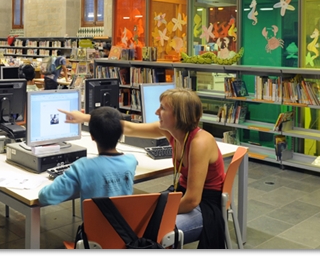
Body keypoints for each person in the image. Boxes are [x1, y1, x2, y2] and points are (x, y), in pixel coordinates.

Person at [59, 88, 227, 248]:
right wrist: (85, 118)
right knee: (134, 221)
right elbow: (129, 127)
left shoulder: (200, 143)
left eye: (162, 108)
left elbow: (192, 200)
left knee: (148, 230)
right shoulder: (172, 132)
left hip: (204, 207)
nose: (156, 112)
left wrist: (159, 214)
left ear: (179, 115)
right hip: (179, 194)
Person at [38, 107, 138, 205]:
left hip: (93, 222)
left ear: (92, 136)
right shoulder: (131, 161)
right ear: (121, 135)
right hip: (123, 221)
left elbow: (46, 197)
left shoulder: (82, 167)